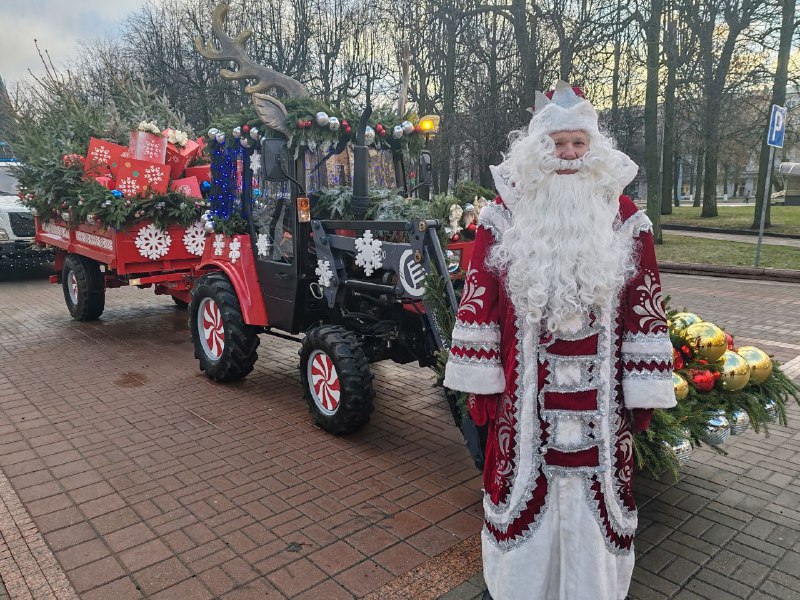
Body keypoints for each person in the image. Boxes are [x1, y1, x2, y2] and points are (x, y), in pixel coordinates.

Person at [443, 81, 676, 600]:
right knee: (524, 494)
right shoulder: (501, 216)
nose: (568, 155)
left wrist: (643, 393)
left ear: (592, 148)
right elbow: (480, 300)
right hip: (524, 411)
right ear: (536, 149)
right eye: (557, 144)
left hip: (602, 407)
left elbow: (645, 306)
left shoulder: (626, 219)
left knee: (598, 497)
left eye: (578, 144)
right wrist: (482, 386)